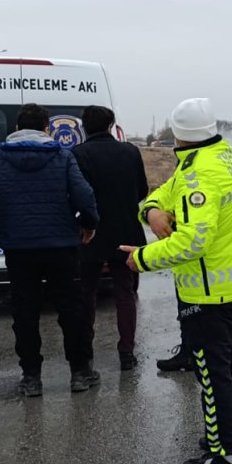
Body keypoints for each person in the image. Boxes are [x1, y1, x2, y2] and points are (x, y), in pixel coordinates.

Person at [120, 98, 232, 464]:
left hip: (209, 293)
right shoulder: (219, 156)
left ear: (179, 136)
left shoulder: (200, 177)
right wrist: (150, 209)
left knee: (212, 376)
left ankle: (224, 453)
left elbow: (193, 241)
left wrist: (144, 258)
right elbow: (166, 192)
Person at [0, 103, 99, 397]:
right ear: (46, 129)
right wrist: (89, 222)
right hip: (61, 246)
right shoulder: (62, 156)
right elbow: (84, 194)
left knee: (25, 312)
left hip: (18, 247)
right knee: (71, 309)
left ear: (17, 128)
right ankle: (80, 373)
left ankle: (31, 378)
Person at [71, 106, 148, 371]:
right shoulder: (130, 151)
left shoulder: (78, 154)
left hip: (90, 233)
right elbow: (142, 190)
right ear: (110, 125)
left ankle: (86, 350)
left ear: (84, 126)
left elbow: (76, 195)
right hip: (126, 232)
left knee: (86, 293)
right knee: (125, 293)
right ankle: (126, 352)